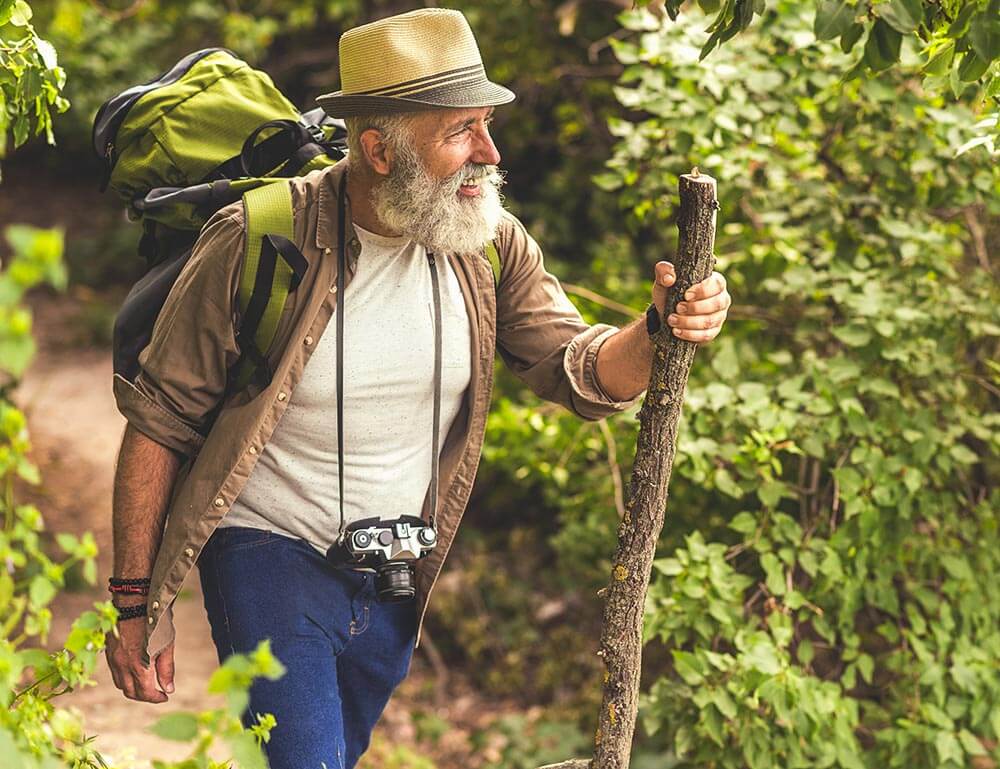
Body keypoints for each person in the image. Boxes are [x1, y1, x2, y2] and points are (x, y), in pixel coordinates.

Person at [103, 8, 731, 769]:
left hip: (397, 573)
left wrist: (656, 327)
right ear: (377, 150)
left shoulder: (488, 244)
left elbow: (582, 368)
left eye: (486, 126)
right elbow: (160, 421)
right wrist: (137, 604)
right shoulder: (260, 238)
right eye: (461, 131)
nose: (490, 154)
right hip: (265, 550)